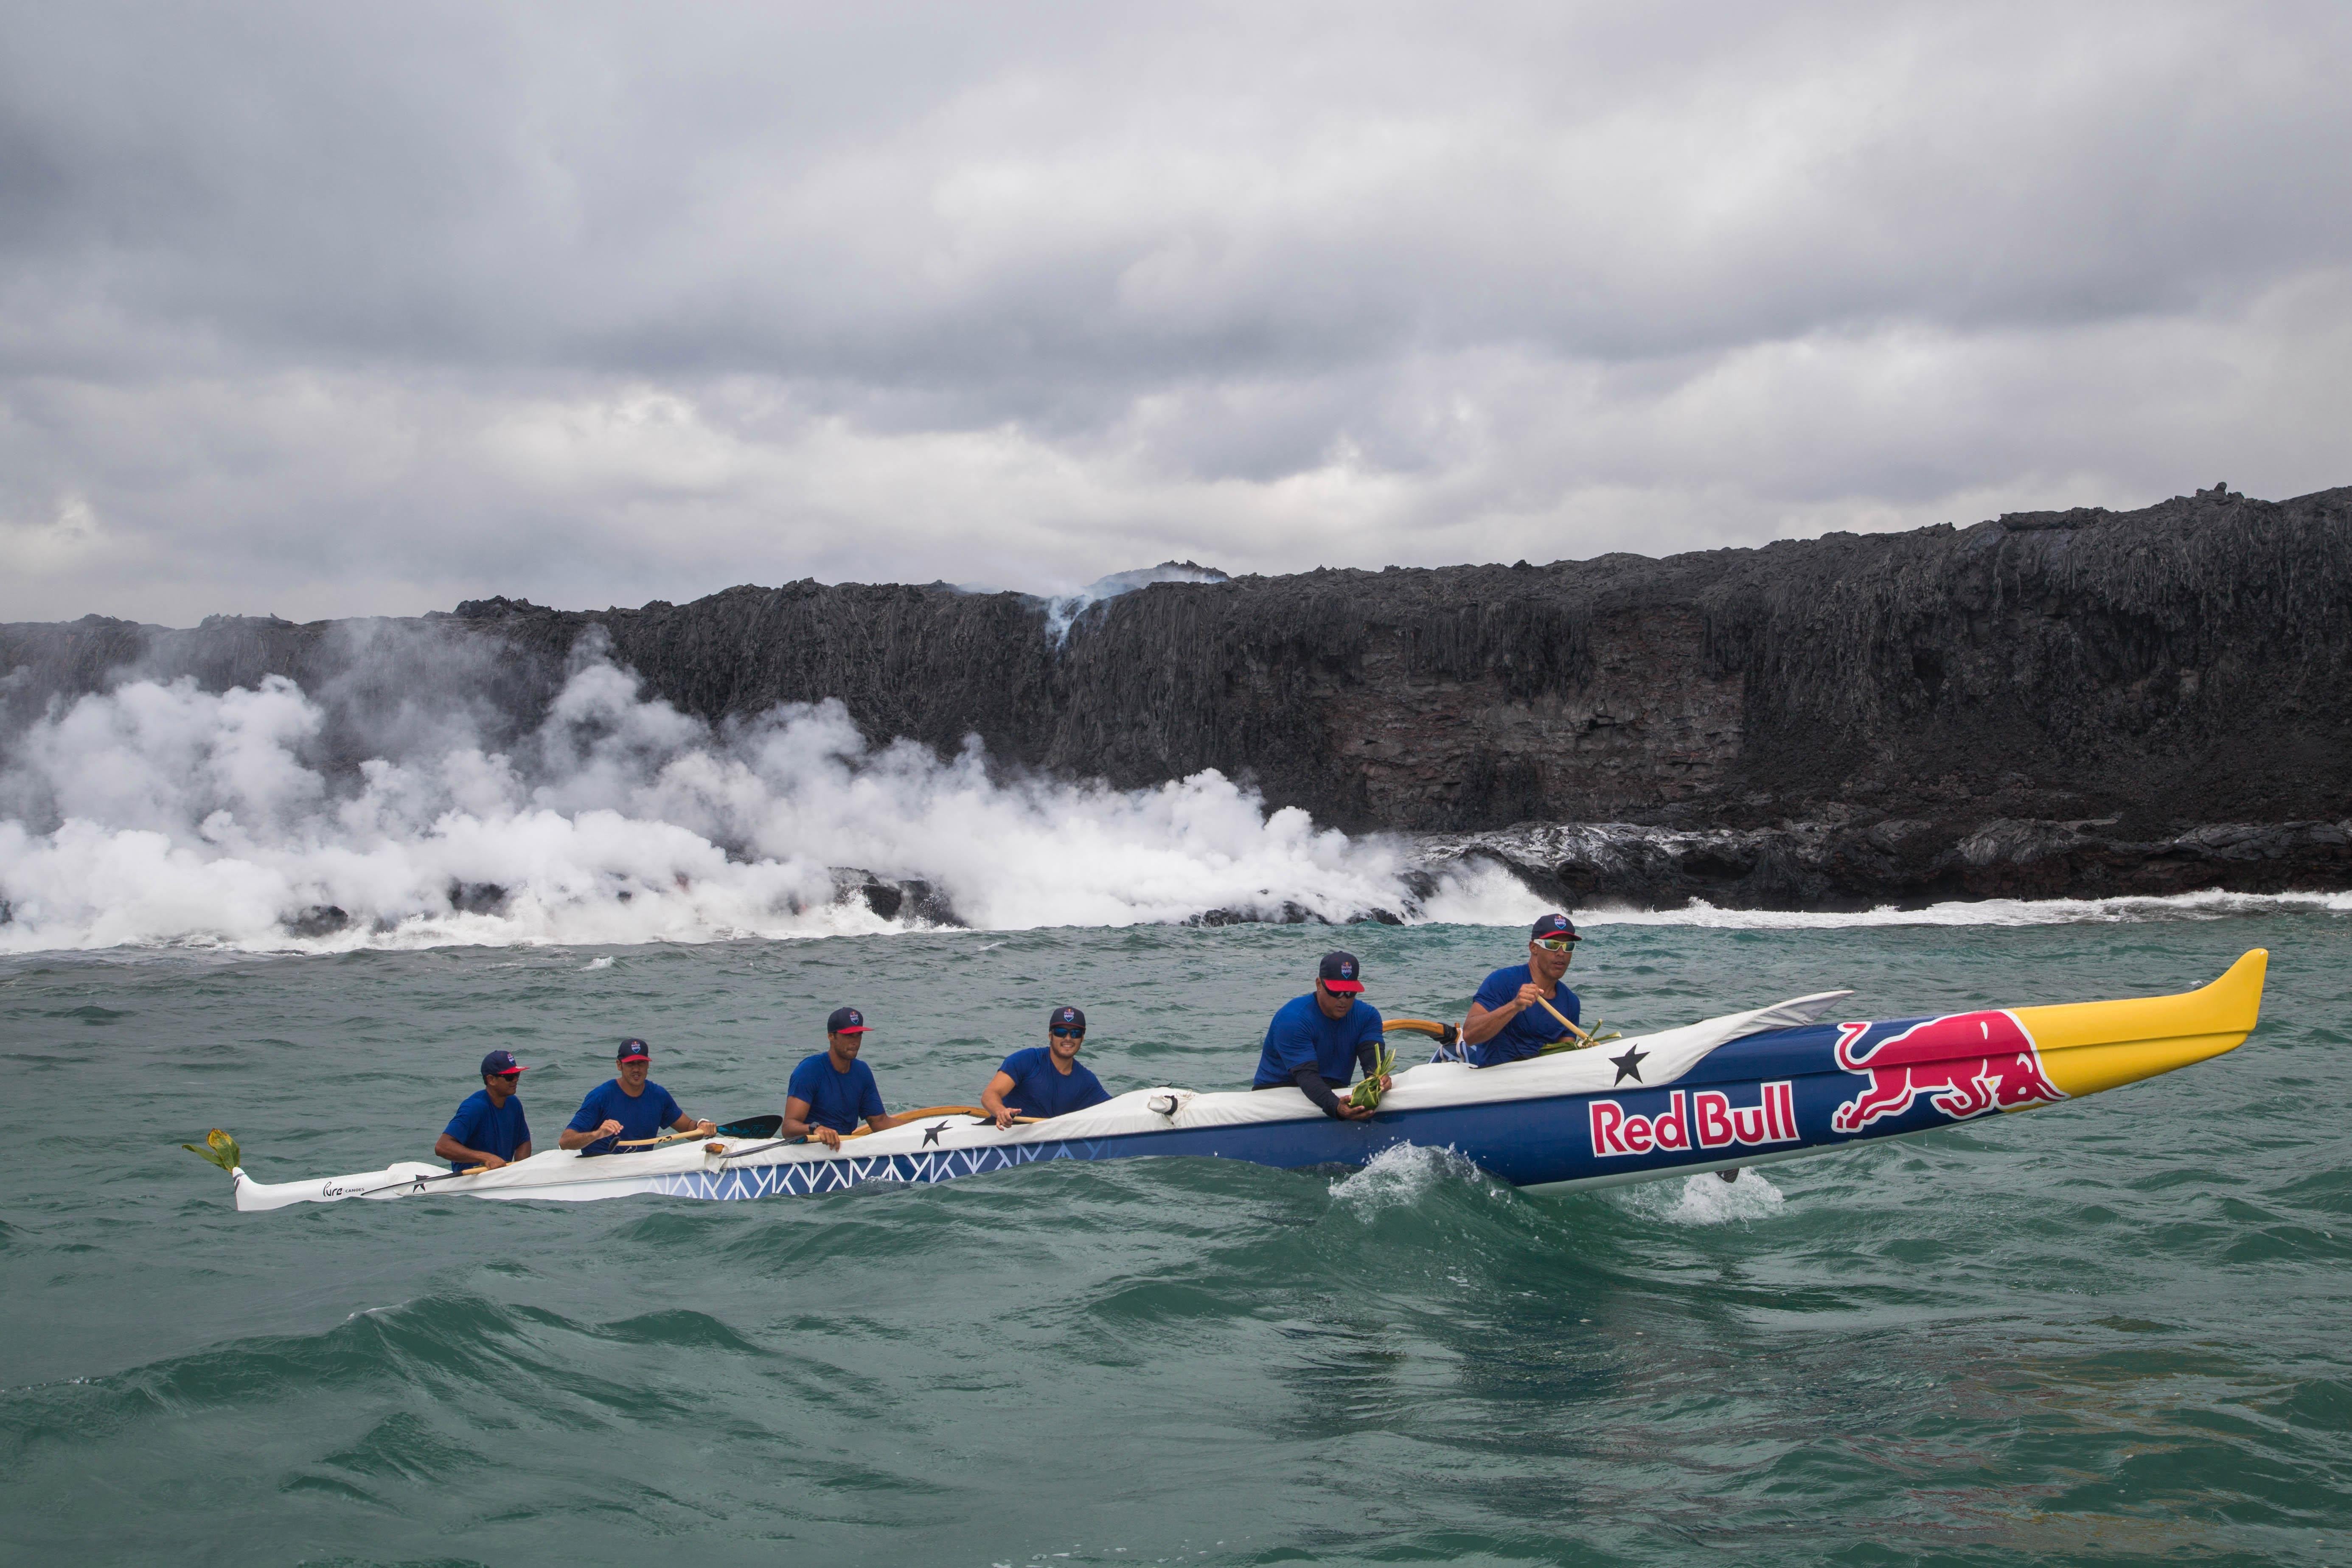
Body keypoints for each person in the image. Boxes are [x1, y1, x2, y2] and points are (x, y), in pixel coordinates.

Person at [1251, 951, 1391, 1119]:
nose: (1343, 1000)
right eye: (1336, 992)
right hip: (1281, 1092)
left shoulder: (1368, 1016)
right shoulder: (1292, 1019)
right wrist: (1336, 1108)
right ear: (1319, 984)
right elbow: (1306, 1076)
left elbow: (1373, 1065)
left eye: (1350, 993)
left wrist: (1380, 1080)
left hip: (1331, 1089)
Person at [1458, 913, 1584, 1068]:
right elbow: (1470, 1035)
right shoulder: (1503, 980)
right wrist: (1514, 1006)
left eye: (1568, 947)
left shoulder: (1571, 1003)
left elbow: (1563, 1060)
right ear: (1534, 948)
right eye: (1552, 945)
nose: (1561, 953)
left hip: (1540, 1079)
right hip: (1495, 1076)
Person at [559, 1038, 716, 1152]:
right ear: (619, 1065)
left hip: (640, 1170)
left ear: (648, 1065)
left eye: (641, 1063)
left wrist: (702, 1125)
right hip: (601, 1169)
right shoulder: (600, 1097)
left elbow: (689, 1130)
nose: (636, 1069)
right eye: (631, 1064)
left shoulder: (658, 1096)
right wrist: (598, 1134)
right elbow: (565, 1142)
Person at [785, 1007, 900, 1150]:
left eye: (859, 1035)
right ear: (831, 1036)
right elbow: (788, 1128)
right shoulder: (809, 1070)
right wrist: (816, 1129)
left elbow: (880, 1123)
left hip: (844, 1149)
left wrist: (922, 1126)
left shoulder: (862, 1071)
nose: (855, 1042)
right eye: (849, 1036)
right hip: (811, 1149)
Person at [982, 1006, 1112, 1128]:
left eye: (1075, 1033)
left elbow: (1114, 1108)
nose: (1068, 1038)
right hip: (1007, 1131)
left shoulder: (1086, 1081)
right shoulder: (1026, 1060)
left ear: (1082, 1039)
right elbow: (990, 1095)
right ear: (1051, 1036)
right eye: (1061, 1032)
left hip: (1050, 1138)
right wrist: (1001, 1112)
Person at [434, 1049, 534, 1172]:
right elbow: (442, 1147)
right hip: (472, 1178)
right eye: (509, 1077)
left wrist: (520, 1169)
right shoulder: (474, 1107)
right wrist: (486, 1158)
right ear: (491, 1080)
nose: (515, 1080)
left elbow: (523, 1142)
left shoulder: (514, 1104)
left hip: (501, 1175)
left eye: (517, 1075)